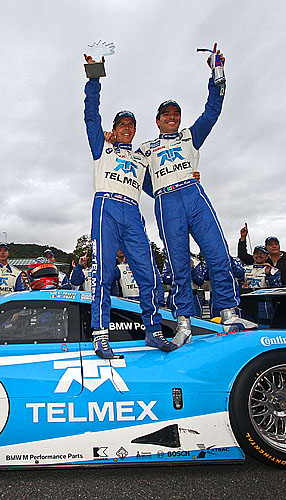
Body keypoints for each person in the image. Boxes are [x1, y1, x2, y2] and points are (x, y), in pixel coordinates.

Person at [137, 43, 255, 344]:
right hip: (167, 202)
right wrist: (157, 190)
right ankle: (184, 321)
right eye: (166, 115)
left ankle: (229, 312)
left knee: (217, 253)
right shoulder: (147, 148)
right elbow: (130, 175)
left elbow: (212, 110)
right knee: (179, 264)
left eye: (176, 113)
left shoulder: (191, 135)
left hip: (193, 195)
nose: (172, 118)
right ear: (158, 120)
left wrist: (217, 72)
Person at [83, 54, 171, 358]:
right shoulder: (102, 146)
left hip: (132, 211)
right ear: (114, 128)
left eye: (131, 125)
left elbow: (159, 186)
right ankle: (100, 335)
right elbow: (91, 116)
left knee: (148, 274)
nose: (127, 128)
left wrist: (188, 176)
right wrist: (94, 78)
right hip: (106, 206)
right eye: (122, 124)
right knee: (104, 273)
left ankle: (154, 331)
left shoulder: (141, 158)